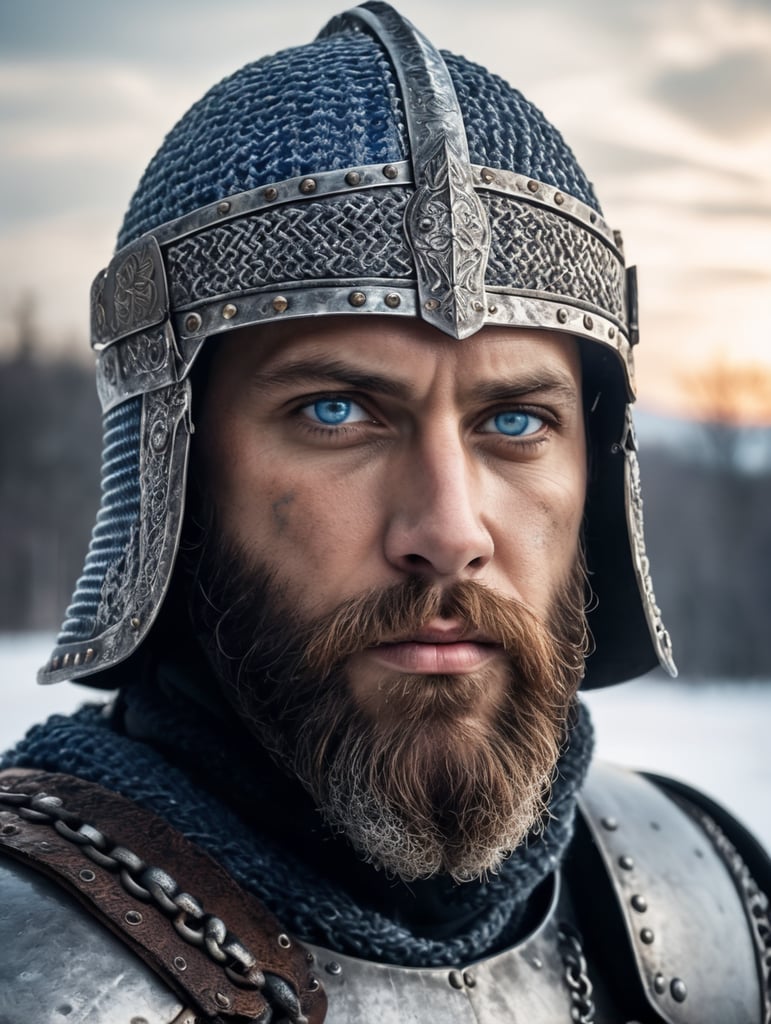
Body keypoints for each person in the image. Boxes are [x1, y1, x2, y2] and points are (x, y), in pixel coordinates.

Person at [0, 3, 768, 1021]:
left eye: (514, 419)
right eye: (336, 410)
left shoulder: (713, 912)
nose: (450, 529)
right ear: (173, 472)